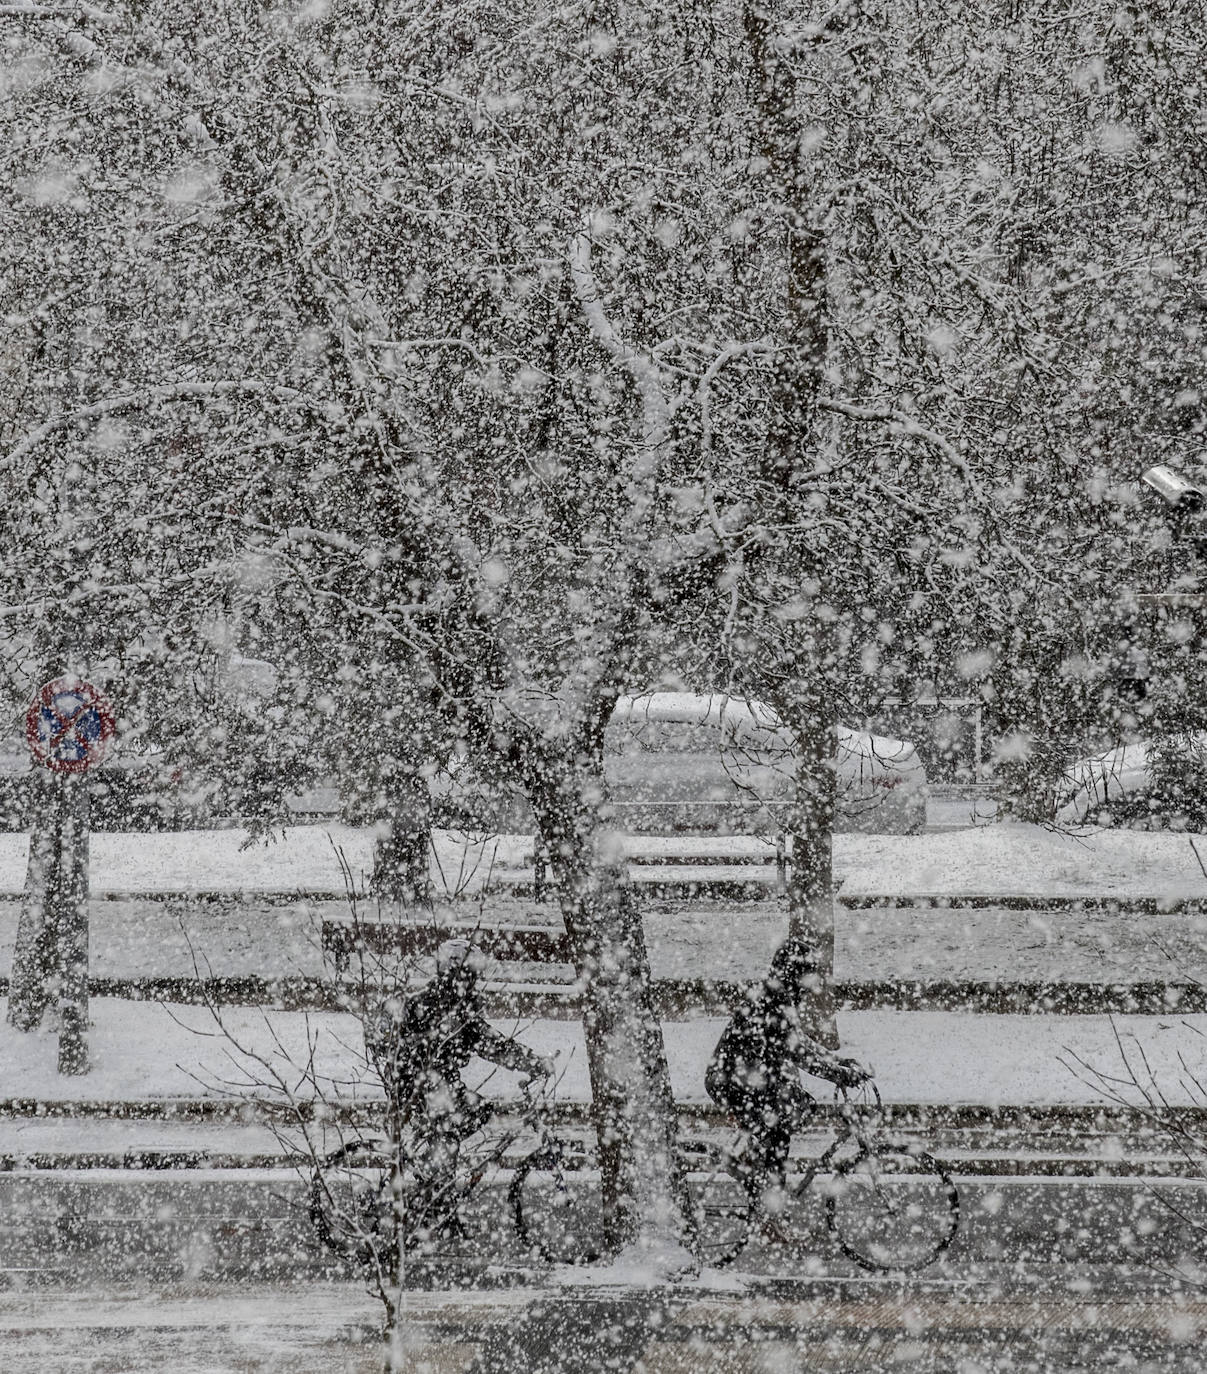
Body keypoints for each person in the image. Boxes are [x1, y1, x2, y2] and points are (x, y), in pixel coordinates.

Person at [365, 938, 554, 1200]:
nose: (474, 980)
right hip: (423, 1082)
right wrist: (532, 1062)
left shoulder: (444, 999)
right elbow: (490, 1043)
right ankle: (439, 1191)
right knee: (456, 1124)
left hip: (425, 1080)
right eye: (472, 974)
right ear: (461, 971)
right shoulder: (450, 1003)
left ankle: (438, 1183)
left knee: (470, 1115)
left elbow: (487, 1041)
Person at [705, 937, 871, 1202]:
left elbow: (801, 1040)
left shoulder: (777, 997)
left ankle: (759, 1176)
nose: (810, 985)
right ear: (794, 974)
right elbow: (800, 1055)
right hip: (732, 1081)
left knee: (791, 1114)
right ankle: (770, 1211)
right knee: (778, 1137)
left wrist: (838, 1060)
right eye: (807, 976)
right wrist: (839, 1074)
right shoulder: (771, 1003)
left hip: (747, 1078)